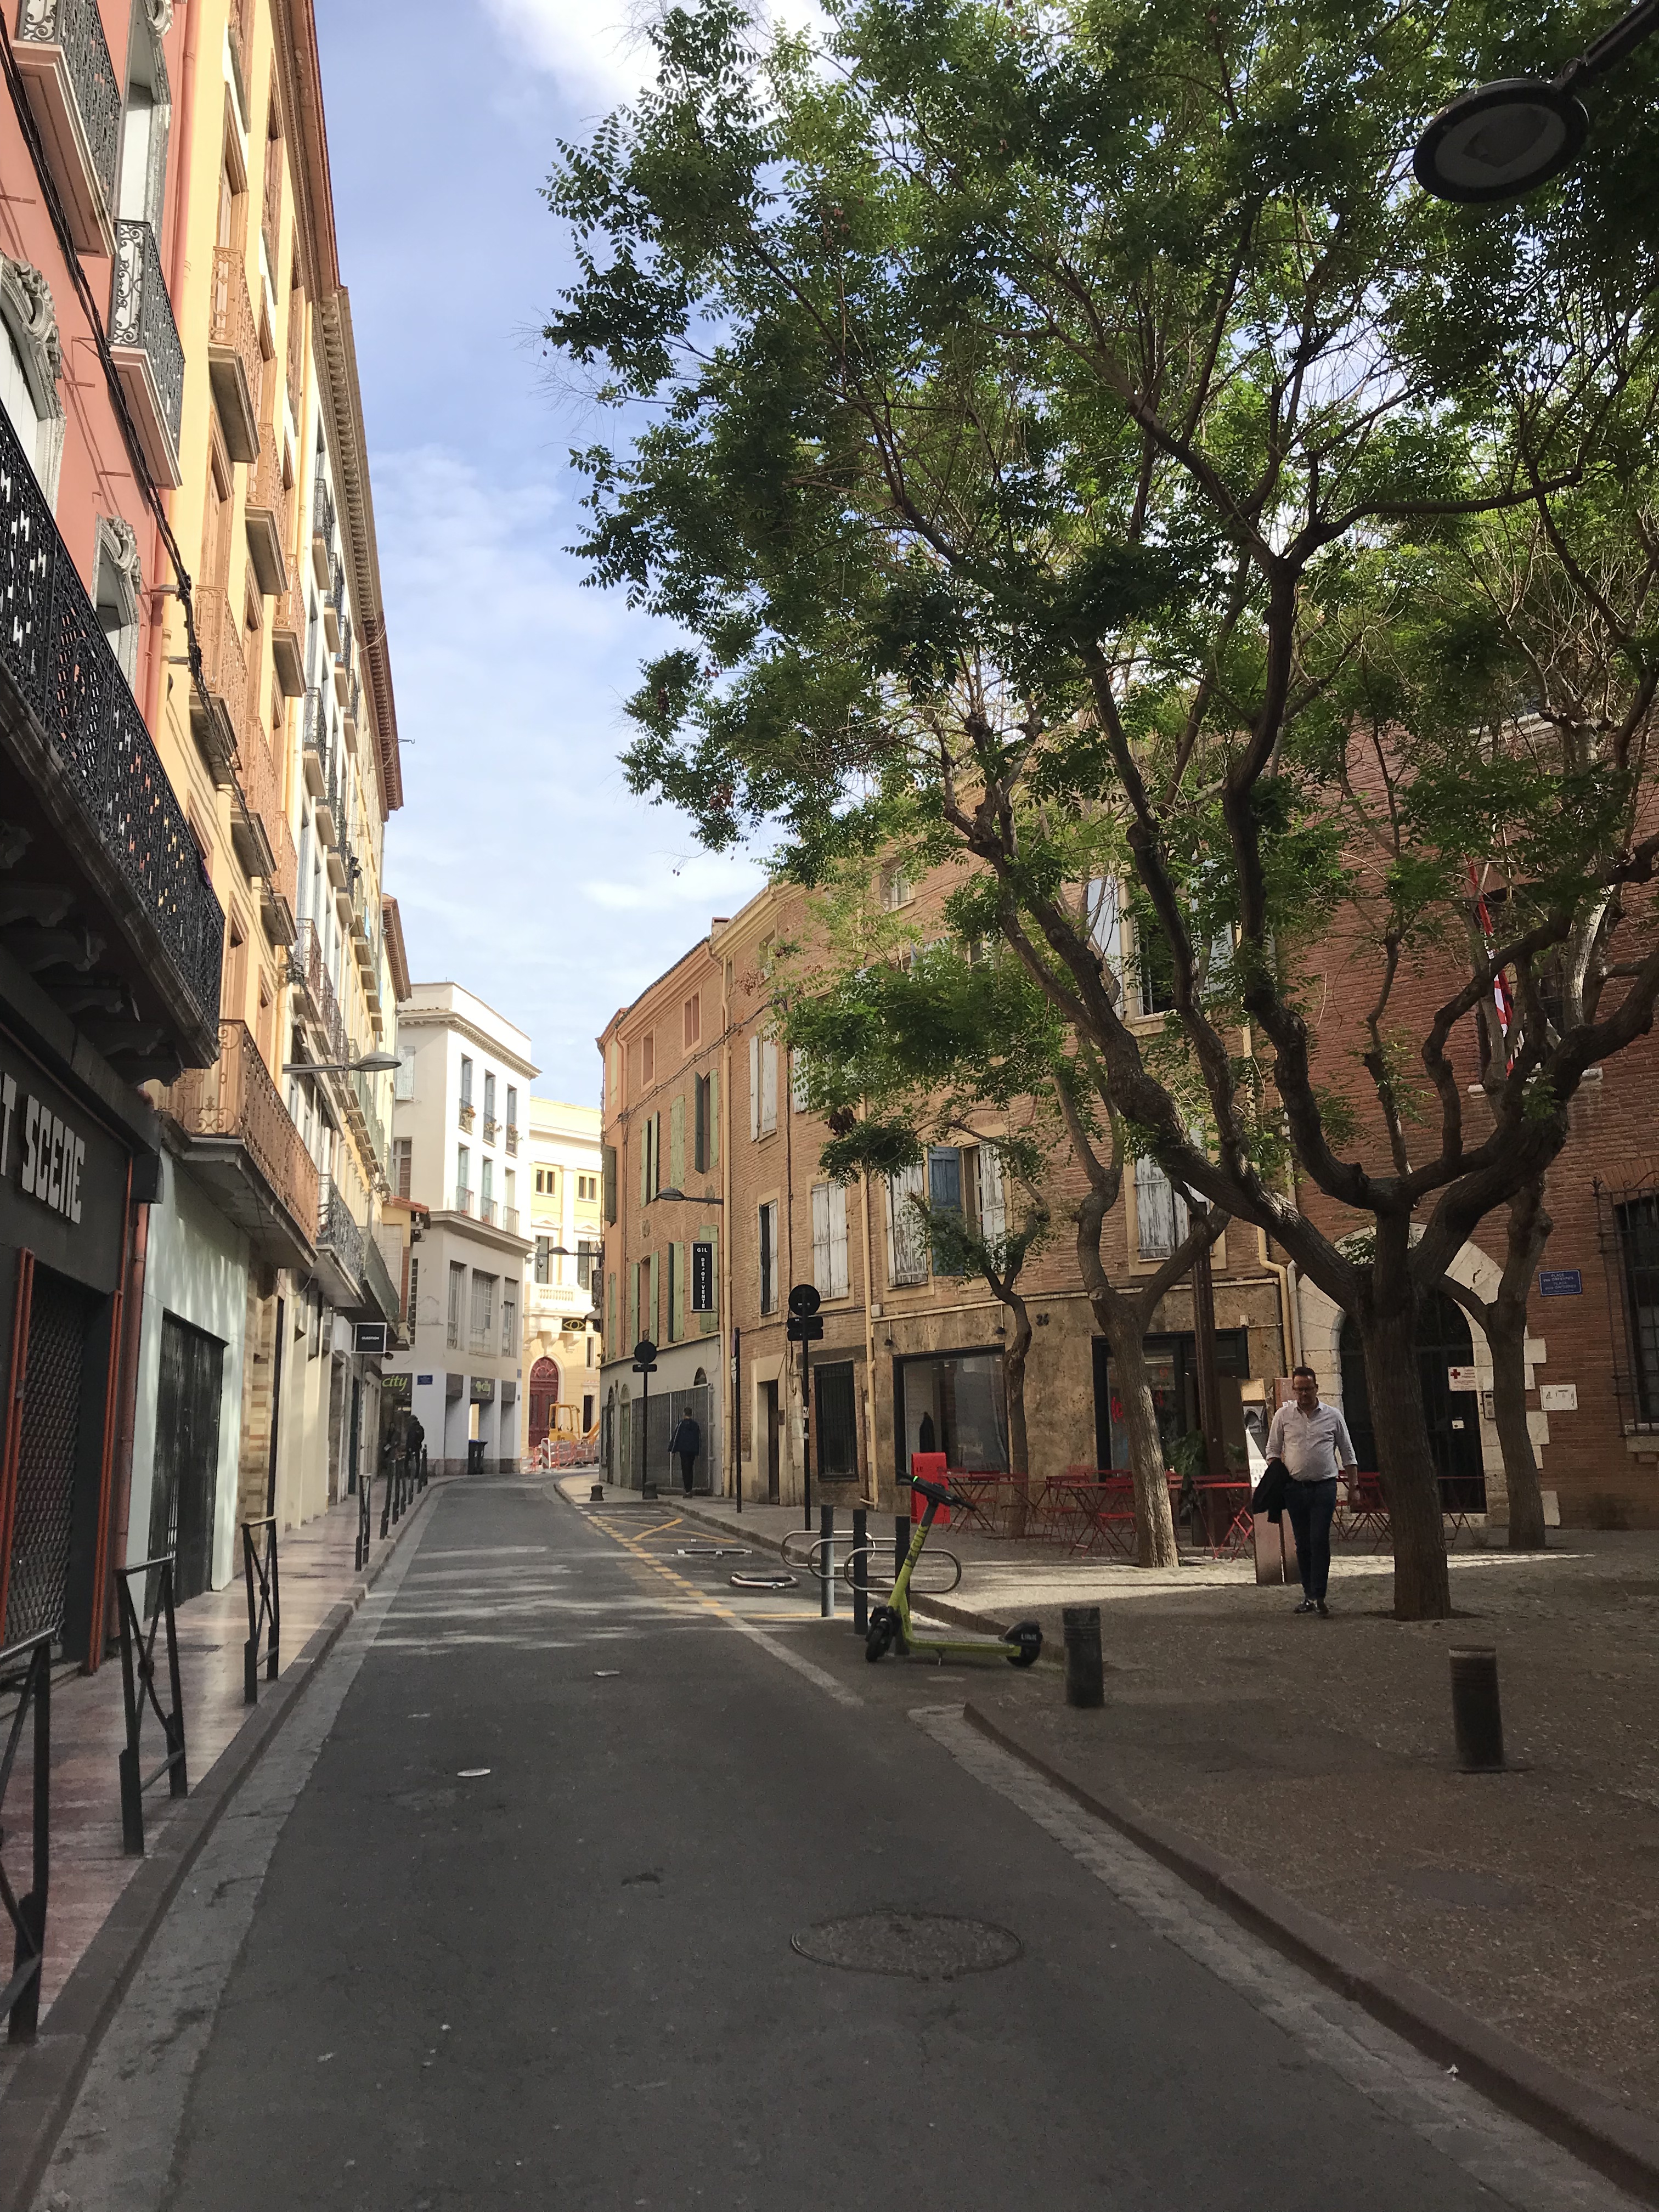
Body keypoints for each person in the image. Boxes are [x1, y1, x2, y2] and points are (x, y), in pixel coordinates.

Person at [1265, 1365, 1357, 1618]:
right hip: (1295, 1489)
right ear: (1294, 1390)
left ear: (1316, 1388)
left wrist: (1354, 1487)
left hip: (1324, 1487)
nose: (1303, 1394)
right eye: (1299, 1389)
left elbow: (1348, 1453)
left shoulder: (1333, 1416)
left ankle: (1320, 1595)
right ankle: (1308, 1594)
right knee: (1303, 1544)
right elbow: (1272, 1450)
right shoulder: (1283, 1416)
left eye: (1308, 1389)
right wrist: (1279, 1474)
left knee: (1319, 1540)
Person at [669, 1410, 702, 1497]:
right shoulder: (695, 1425)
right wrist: (697, 1452)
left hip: (683, 1451)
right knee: (690, 1469)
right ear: (691, 1414)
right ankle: (689, 1489)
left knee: (685, 1469)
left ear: (684, 1414)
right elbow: (698, 1439)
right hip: (692, 1451)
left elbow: (676, 1437)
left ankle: (687, 1490)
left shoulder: (681, 1424)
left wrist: (673, 1450)